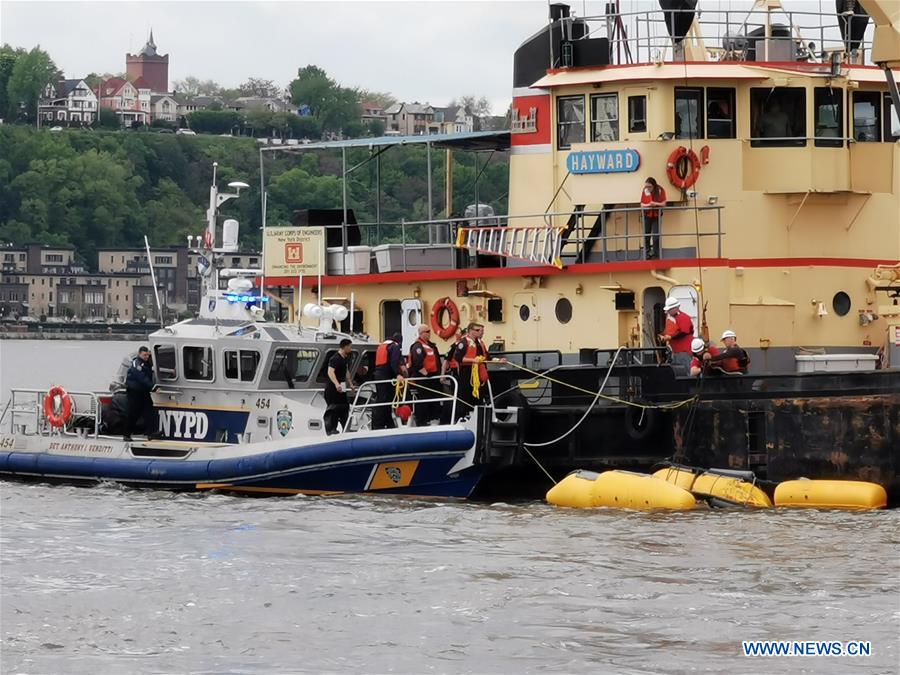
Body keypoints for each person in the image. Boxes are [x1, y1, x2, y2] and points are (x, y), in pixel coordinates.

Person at [451, 322, 506, 416]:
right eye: (478, 330)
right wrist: (473, 360)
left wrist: (498, 360)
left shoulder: (480, 343)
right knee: (466, 395)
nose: (481, 332)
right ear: (471, 331)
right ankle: (465, 415)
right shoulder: (463, 343)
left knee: (480, 394)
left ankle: (478, 413)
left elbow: (487, 357)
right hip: (467, 373)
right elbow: (458, 358)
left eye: (482, 330)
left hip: (479, 372)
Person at [408, 324, 442, 426]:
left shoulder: (431, 345)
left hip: (433, 377)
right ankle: (423, 421)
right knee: (424, 399)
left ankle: (434, 418)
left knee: (435, 398)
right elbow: (418, 363)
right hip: (424, 378)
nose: (429, 333)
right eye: (427, 332)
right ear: (422, 333)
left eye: (429, 331)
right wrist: (427, 375)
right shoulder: (418, 346)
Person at [372, 332, 407, 430]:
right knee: (386, 401)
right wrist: (398, 374)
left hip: (379, 376)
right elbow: (394, 362)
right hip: (387, 377)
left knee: (383, 401)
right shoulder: (394, 347)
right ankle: (380, 425)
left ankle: (387, 423)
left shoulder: (382, 346)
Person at [123, 346, 159, 441]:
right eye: (144, 355)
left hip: (144, 391)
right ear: (139, 354)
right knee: (133, 413)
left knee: (150, 411)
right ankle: (126, 434)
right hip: (135, 392)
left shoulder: (147, 364)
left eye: (147, 355)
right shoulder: (136, 363)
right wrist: (152, 386)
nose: (146, 356)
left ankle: (151, 433)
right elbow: (141, 377)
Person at [324, 338, 355, 435]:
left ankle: (346, 428)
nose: (351, 349)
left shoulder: (345, 358)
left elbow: (346, 371)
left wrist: (350, 383)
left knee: (344, 406)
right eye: (350, 347)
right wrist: (336, 384)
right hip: (333, 388)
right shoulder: (335, 358)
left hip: (342, 386)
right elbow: (330, 372)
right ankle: (332, 429)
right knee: (334, 409)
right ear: (345, 347)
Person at [658, 298, 694, 374]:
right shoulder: (671, 319)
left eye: (669, 310)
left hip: (684, 351)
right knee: (678, 372)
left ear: (676, 308)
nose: (667, 312)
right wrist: (662, 335)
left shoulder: (683, 317)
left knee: (687, 371)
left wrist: (670, 337)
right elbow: (667, 331)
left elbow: (684, 332)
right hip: (676, 351)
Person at [640, 177, 667, 259]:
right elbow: (641, 204)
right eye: (646, 186)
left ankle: (656, 255)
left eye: (649, 187)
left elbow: (664, 203)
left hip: (656, 216)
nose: (648, 188)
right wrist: (648, 205)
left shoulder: (660, 190)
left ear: (654, 186)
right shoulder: (645, 190)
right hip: (647, 216)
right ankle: (647, 253)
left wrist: (655, 204)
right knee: (646, 236)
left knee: (656, 237)